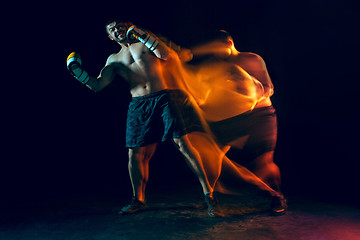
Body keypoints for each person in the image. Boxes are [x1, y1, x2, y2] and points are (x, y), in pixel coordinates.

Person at [66, 20, 225, 217]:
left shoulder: (146, 44)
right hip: (139, 105)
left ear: (128, 26)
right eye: (112, 29)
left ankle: (209, 195)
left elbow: (167, 56)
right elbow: (98, 85)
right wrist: (78, 74)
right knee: (135, 154)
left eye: (119, 26)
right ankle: (138, 200)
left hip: (164, 98)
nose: (117, 30)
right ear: (110, 37)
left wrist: (144, 36)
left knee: (183, 145)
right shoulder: (113, 59)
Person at [182, 30, 287, 215]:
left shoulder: (250, 59)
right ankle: (211, 197)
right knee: (212, 158)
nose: (214, 53)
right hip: (229, 121)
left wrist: (247, 89)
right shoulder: (214, 65)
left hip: (258, 116)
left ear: (229, 43)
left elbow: (268, 88)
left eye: (217, 48)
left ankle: (277, 197)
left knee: (263, 163)